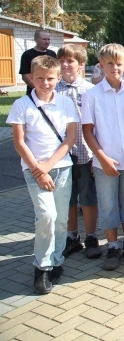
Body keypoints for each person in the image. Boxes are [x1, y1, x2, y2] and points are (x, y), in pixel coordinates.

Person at [8, 55, 78, 294]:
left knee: (59, 219)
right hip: (34, 170)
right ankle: (42, 265)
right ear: (31, 77)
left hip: (60, 167)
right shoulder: (22, 105)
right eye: (40, 78)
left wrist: (49, 164)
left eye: (50, 78)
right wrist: (40, 169)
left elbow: (70, 138)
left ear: (58, 78)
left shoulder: (66, 103)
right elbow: (19, 142)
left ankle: (57, 259)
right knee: (45, 217)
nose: (45, 83)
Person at [82, 44, 124, 270]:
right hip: (105, 162)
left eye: (119, 64)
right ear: (101, 65)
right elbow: (88, 131)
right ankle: (112, 245)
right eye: (110, 63)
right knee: (108, 205)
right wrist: (102, 158)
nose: (115, 68)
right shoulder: (91, 95)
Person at [55, 45, 101, 260]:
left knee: (88, 197)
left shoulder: (90, 91)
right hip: (62, 155)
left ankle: (91, 235)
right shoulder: (53, 90)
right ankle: (72, 237)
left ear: (81, 65)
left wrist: (98, 154)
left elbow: (98, 125)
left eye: (70, 61)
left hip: (86, 153)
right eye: (62, 60)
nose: (65, 65)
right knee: (68, 198)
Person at [19, 29, 57, 96]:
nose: (47, 42)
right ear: (36, 39)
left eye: (48, 39)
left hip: (51, 92)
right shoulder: (27, 54)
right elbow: (25, 76)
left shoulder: (52, 54)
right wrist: (39, 88)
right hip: (33, 93)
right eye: (44, 39)